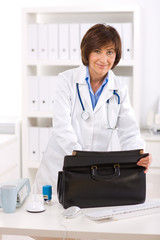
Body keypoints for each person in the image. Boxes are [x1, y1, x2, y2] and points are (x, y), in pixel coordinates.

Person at [35, 24, 152, 194]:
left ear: (116, 55)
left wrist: (139, 156)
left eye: (110, 52)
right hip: (59, 169)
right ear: (87, 52)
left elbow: (130, 131)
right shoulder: (67, 80)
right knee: (50, 215)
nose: (104, 60)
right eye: (97, 51)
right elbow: (62, 127)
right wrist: (81, 158)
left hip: (92, 173)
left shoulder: (119, 88)